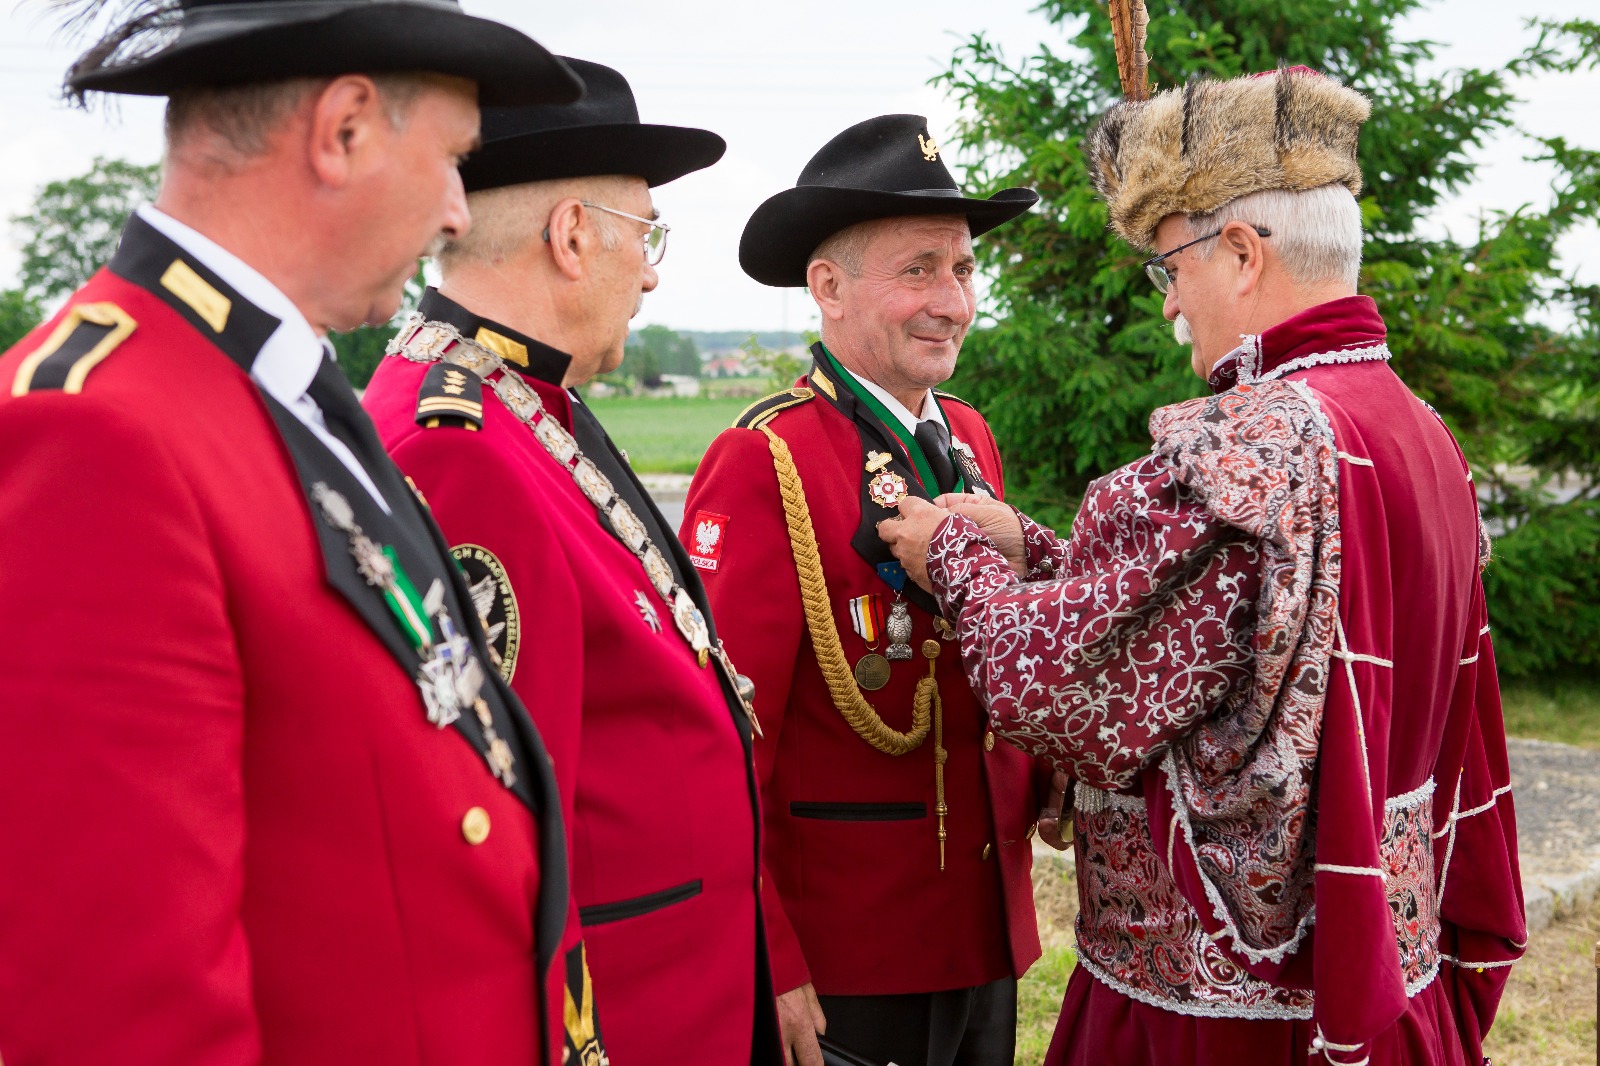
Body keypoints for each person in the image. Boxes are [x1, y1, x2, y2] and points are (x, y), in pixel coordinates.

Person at [879, 68, 1525, 1066]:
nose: (1169, 298)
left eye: (1169, 263)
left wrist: (954, 554)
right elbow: (1238, 623)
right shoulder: (1413, 428)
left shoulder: (1235, 449)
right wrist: (1040, 547)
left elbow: (1056, 689)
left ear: (1239, 251)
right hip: (1378, 964)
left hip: (1217, 1013)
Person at [0, 4, 587, 1064]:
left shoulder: (274, 379)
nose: (458, 210)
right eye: (454, 157)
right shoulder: (96, 427)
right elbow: (123, 1011)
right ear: (345, 130)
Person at [361, 59, 783, 1066]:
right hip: (625, 1017)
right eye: (646, 234)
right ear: (573, 232)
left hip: (688, 981)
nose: (649, 273)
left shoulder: (524, 395)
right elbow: (491, 834)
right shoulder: (457, 442)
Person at [682, 114, 1055, 1066]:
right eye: (920, 269)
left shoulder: (969, 439)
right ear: (828, 287)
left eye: (964, 269)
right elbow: (724, 741)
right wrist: (768, 954)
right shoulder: (763, 459)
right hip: (851, 951)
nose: (954, 301)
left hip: (984, 929)